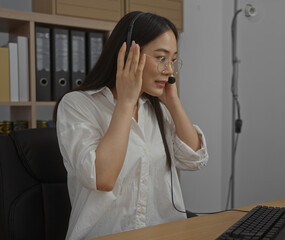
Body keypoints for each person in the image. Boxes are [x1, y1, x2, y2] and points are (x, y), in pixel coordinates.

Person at [55, 11, 208, 240]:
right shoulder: (77, 105)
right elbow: (103, 179)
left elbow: (194, 159)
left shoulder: (156, 108)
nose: (169, 71)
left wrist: (173, 102)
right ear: (128, 56)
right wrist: (126, 102)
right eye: (161, 58)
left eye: (173, 60)